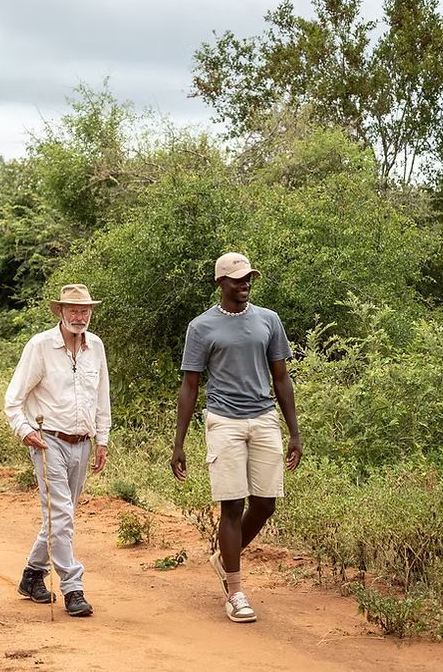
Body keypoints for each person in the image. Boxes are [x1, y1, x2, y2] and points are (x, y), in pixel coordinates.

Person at [171, 252, 302, 624]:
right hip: (224, 421)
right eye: (237, 279)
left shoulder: (268, 320)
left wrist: (294, 431)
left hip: (263, 418)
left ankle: (224, 556)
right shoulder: (202, 327)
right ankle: (236, 591)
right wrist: (179, 443)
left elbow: (281, 377)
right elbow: (190, 385)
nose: (244, 284)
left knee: (265, 503)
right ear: (221, 283)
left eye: (248, 279)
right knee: (231, 504)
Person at [4, 284, 111, 618]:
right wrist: (24, 431)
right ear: (61, 313)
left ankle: (32, 574)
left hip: (83, 441)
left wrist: (102, 438)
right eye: (73, 311)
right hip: (48, 440)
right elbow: (13, 398)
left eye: (85, 311)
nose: (80, 317)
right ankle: (72, 587)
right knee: (61, 515)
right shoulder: (41, 346)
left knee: (60, 516)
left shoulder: (96, 346)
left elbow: (102, 395)